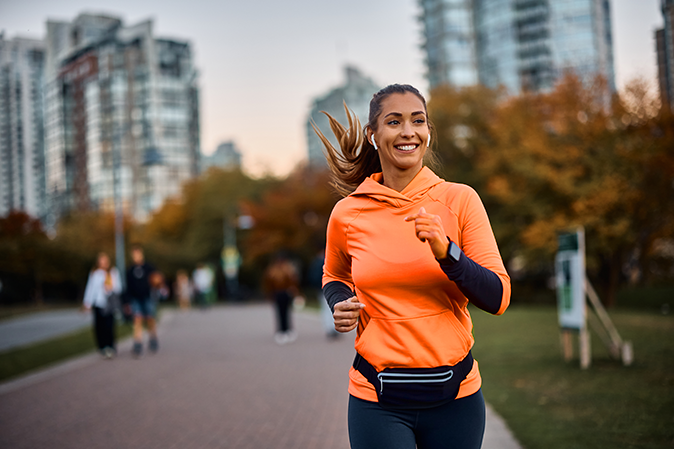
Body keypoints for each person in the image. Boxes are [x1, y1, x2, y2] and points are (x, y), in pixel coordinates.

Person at [314, 84, 511, 449]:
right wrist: (340, 302)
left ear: (428, 132)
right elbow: (334, 274)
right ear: (373, 135)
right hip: (377, 398)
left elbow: (498, 297)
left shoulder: (460, 200)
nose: (408, 131)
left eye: (418, 121)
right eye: (394, 121)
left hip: (456, 399)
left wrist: (447, 253)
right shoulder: (348, 213)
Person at [82, 252, 122, 359]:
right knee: (99, 326)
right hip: (98, 303)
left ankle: (110, 346)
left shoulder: (113, 272)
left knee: (109, 326)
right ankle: (102, 347)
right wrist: (87, 302)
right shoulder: (95, 273)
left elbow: (118, 288)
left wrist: (110, 288)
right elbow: (90, 288)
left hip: (109, 304)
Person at [126, 244, 158, 357]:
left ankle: (153, 338)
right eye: (134, 254)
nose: (136, 256)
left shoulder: (148, 267)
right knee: (137, 319)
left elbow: (156, 279)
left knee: (150, 318)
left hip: (147, 297)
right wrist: (127, 302)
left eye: (138, 254)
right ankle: (137, 342)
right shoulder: (130, 270)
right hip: (135, 298)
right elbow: (128, 287)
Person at [263, 253, 299, 345]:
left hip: (282, 293)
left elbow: (292, 282)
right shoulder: (283, 270)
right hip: (280, 293)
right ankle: (283, 330)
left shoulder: (276, 270)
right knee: (282, 312)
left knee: (284, 312)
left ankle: (285, 329)